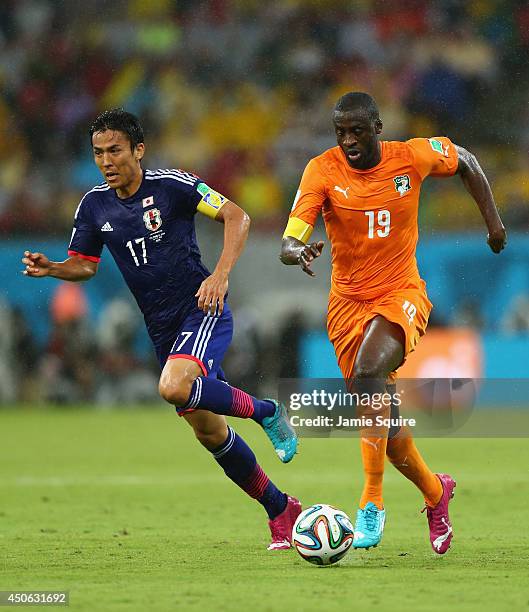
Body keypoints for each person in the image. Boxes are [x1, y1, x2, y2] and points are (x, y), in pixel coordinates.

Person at [22, 108, 300, 551]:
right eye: (98, 153)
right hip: (162, 332)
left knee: (172, 387)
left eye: (115, 150)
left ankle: (266, 411)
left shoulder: (172, 186)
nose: (107, 161)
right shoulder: (94, 205)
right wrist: (54, 268)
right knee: (209, 432)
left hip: (202, 309)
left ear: (139, 149)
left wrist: (221, 275)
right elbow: (85, 266)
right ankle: (281, 509)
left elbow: (237, 217)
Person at [280, 92, 506, 554]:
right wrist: (296, 251)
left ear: (377, 128)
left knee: (368, 375)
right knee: (388, 430)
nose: (349, 141)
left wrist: (494, 223)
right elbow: (291, 238)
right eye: (340, 133)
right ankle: (436, 493)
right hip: (346, 306)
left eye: (357, 131)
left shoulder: (413, 156)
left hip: (401, 294)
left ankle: (372, 504)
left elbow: (466, 160)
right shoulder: (321, 170)